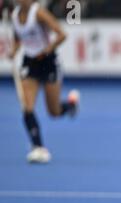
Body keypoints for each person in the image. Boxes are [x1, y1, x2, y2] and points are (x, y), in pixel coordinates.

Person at [9, 0, 79, 163]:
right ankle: (38, 147)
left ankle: (70, 105)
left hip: (48, 62)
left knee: (53, 112)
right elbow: (18, 38)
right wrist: (13, 51)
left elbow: (62, 34)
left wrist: (45, 51)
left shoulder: (39, 13)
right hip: (30, 63)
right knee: (27, 107)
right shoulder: (14, 15)